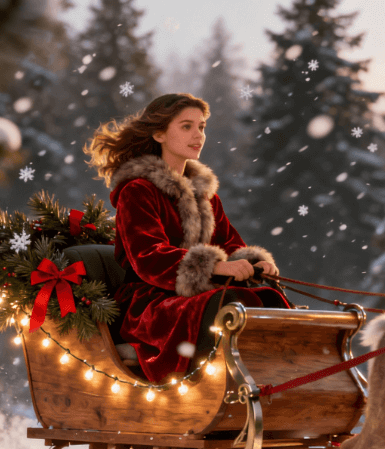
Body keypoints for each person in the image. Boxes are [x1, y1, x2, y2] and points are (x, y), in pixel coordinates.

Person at [84, 93, 289, 384]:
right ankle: (156, 355)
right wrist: (214, 267)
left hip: (197, 294)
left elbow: (229, 242)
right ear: (159, 133)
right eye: (186, 126)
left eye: (202, 127)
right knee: (229, 303)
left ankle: (272, 382)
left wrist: (252, 263)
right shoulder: (138, 191)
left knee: (268, 299)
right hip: (150, 300)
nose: (198, 135)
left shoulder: (205, 196)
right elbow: (149, 257)